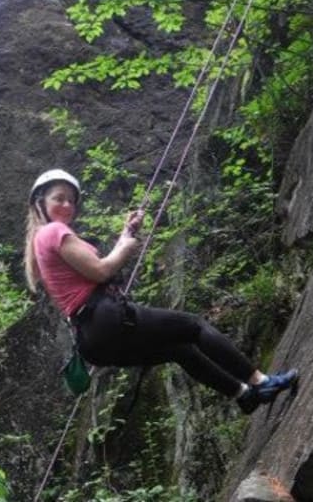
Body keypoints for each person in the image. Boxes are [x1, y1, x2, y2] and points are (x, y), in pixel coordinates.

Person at [23, 169, 298, 414]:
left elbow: (94, 270)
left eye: (71, 200)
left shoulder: (42, 241)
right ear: (40, 203)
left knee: (180, 350)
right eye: (59, 198)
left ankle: (243, 395)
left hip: (92, 342)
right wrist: (125, 248)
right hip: (104, 318)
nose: (67, 205)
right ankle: (261, 382)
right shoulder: (54, 231)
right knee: (194, 325)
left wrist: (125, 235)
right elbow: (101, 271)